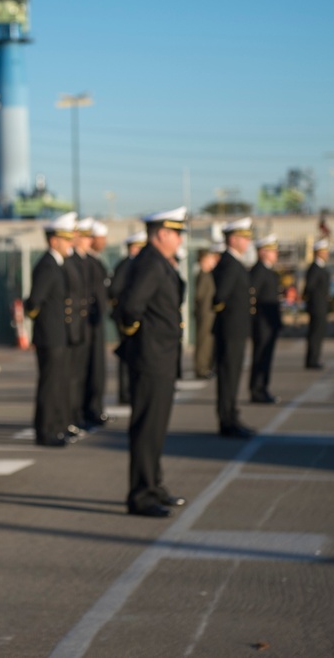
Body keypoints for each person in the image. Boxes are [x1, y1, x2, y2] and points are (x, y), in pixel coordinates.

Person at [116, 208, 188, 518]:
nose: (180, 239)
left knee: (156, 426)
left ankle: (154, 485)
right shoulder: (150, 262)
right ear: (161, 234)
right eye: (176, 233)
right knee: (147, 427)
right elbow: (130, 307)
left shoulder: (159, 262)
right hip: (151, 357)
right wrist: (140, 337)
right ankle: (141, 494)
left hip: (160, 356)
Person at [24, 212, 77, 447]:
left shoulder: (57, 264)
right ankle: (45, 431)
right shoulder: (47, 265)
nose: (70, 244)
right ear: (54, 240)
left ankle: (57, 427)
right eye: (66, 240)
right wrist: (40, 320)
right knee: (49, 385)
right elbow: (34, 301)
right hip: (50, 336)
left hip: (59, 335)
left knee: (59, 384)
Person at [213, 217, 257, 439]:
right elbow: (220, 296)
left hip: (235, 330)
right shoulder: (230, 263)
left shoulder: (235, 262)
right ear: (233, 239)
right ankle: (227, 420)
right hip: (230, 330)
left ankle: (231, 415)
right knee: (228, 376)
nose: (248, 242)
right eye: (244, 237)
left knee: (233, 375)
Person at [107, 230, 146, 404]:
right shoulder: (126, 265)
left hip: (127, 314)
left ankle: (130, 390)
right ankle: (125, 393)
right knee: (126, 355)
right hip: (124, 316)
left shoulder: (135, 264)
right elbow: (114, 289)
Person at [83, 220, 110, 429]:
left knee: (98, 369)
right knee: (90, 369)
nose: (104, 242)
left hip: (96, 320)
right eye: (101, 238)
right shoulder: (87, 263)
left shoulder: (96, 262)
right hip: (87, 322)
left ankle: (95, 408)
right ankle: (90, 409)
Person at [65, 216, 91, 435]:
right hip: (67, 328)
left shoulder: (77, 261)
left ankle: (76, 415)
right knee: (69, 378)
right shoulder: (67, 261)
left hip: (78, 327)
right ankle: (70, 417)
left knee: (78, 376)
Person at [249, 234, 282, 403]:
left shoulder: (269, 271)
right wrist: (255, 319)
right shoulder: (259, 271)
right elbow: (251, 295)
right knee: (260, 357)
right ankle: (257, 390)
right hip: (262, 324)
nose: (275, 254)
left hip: (269, 323)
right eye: (272, 250)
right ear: (262, 252)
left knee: (266, 358)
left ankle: (263, 388)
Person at [193, 244, 223, 380]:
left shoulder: (208, 274)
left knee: (208, 342)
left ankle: (206, 367)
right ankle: (201, 368)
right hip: (205, 313)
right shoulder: (203, 275)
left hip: (209, 313)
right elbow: (199, 295)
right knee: (203, 341)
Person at [303, 238, 332, 369]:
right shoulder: (315, 268)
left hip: (321, 306)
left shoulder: (321, 268)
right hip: (317, 307)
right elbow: (309, 287)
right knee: (315, 334)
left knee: (318, 334)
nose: (327, 254)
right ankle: (312, 360)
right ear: (318, 252)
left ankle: (315, 358)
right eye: (324, 251)